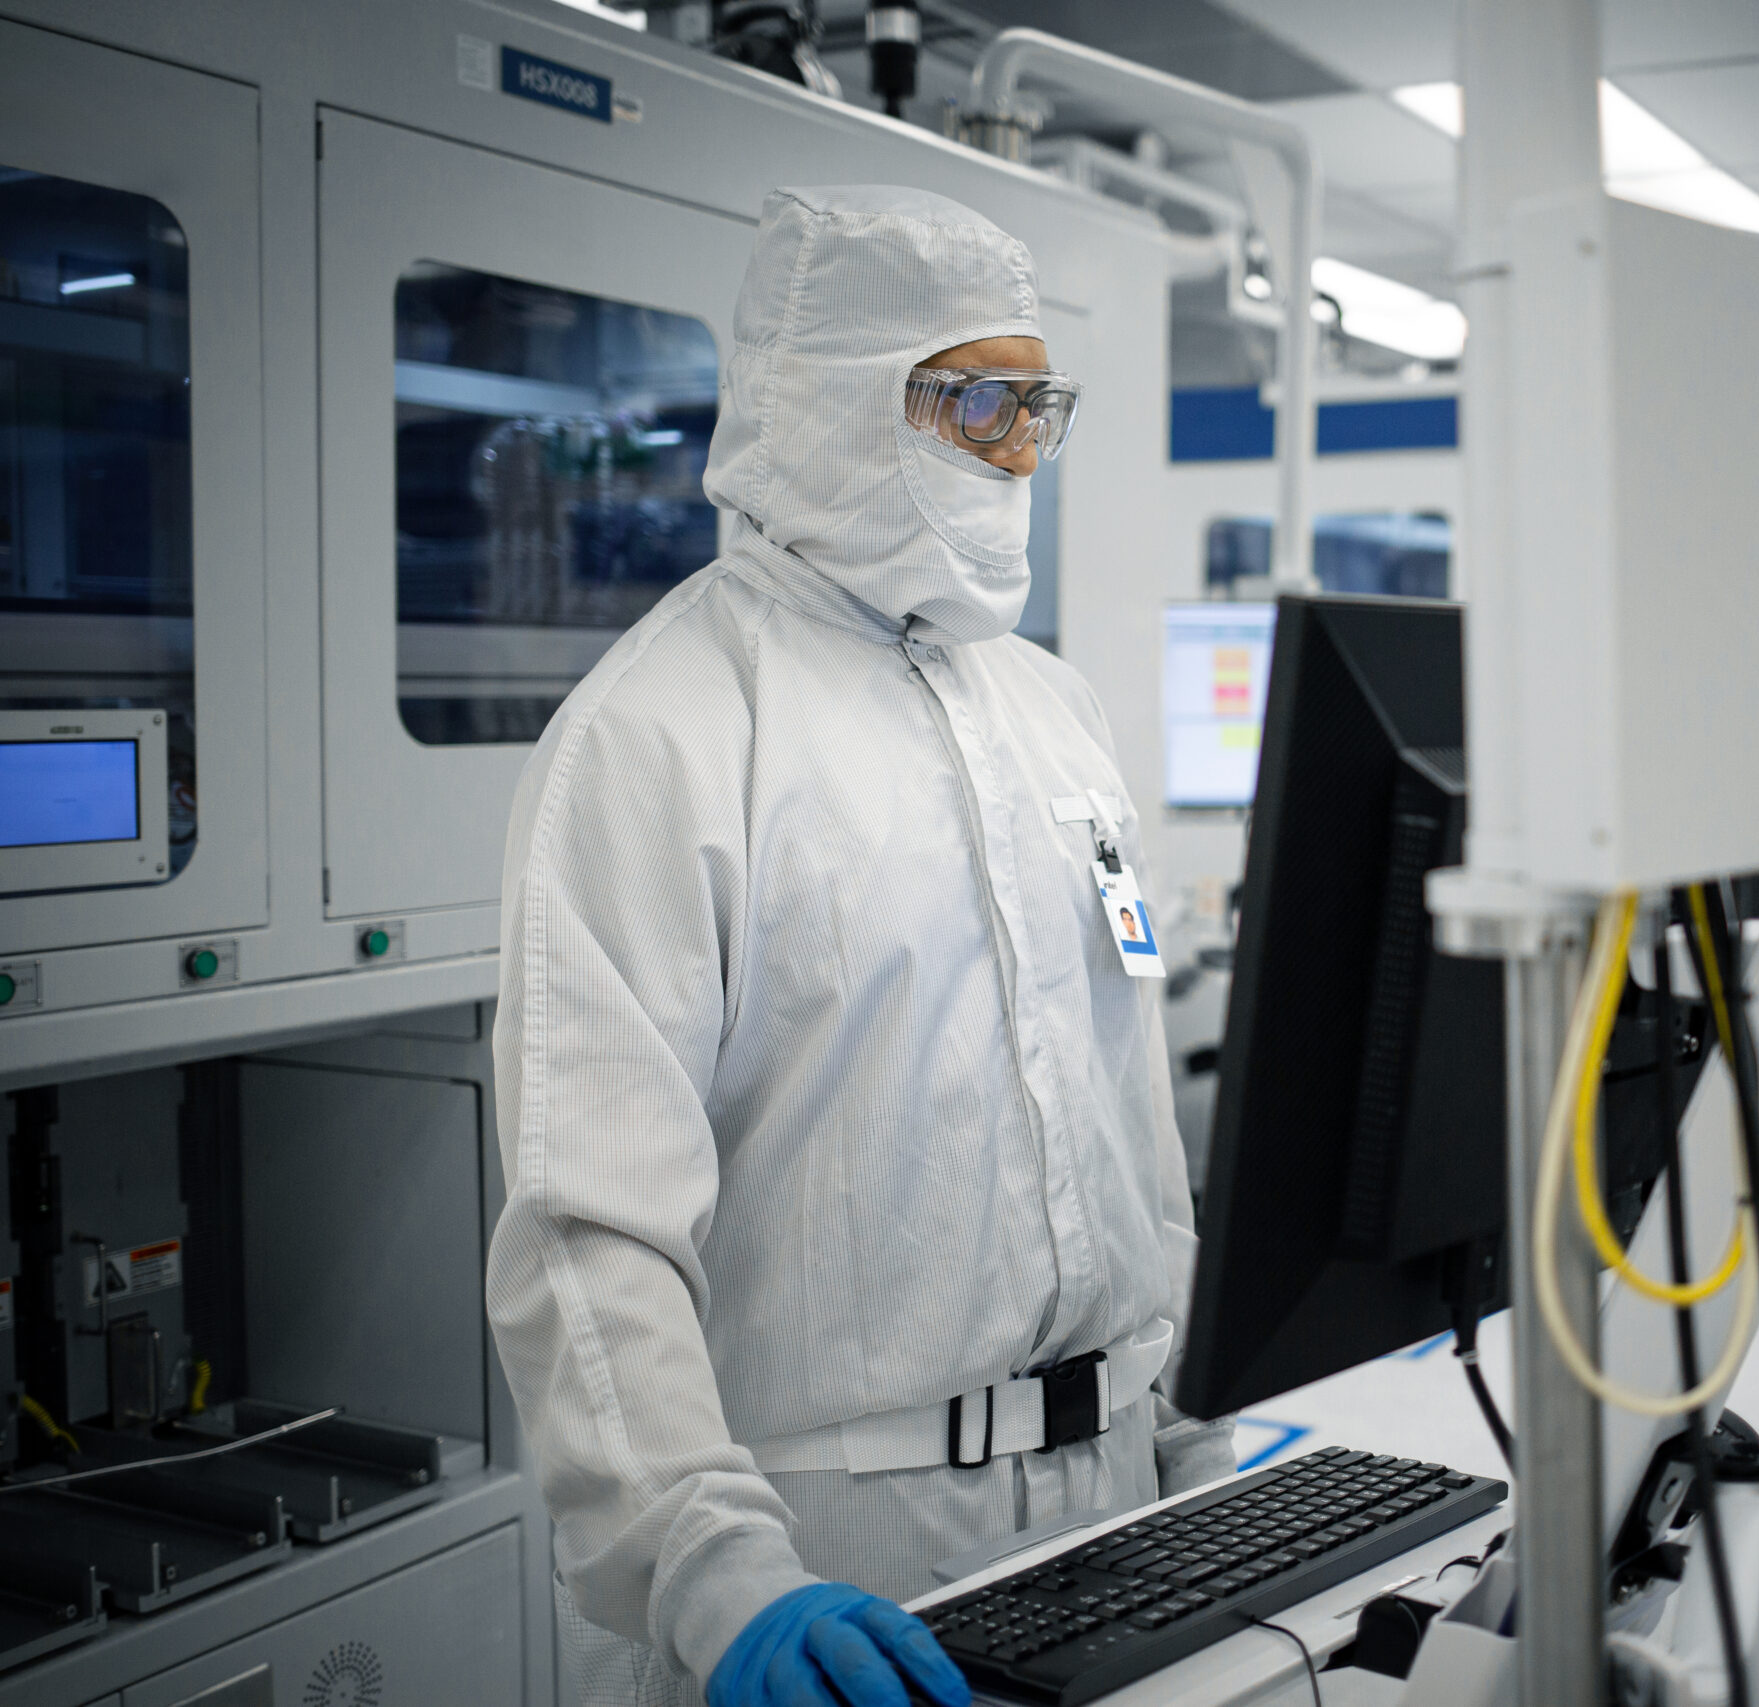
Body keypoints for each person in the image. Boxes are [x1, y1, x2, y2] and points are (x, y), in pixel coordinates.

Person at [487, 185, 1232, 1707]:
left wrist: (1189, 1412)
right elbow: (589, 1232)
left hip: (1115, 1491)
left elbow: (1126, 1099)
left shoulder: (1054, 709)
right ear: (833, 405)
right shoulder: (660, 733)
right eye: (976, 403)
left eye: (1039, 408)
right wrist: (720, 1573)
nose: (1018, 452)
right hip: (837, 1546)